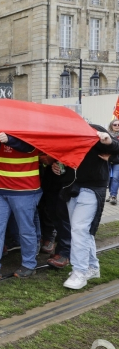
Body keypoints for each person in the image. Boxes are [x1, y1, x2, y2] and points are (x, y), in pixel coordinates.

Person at [0, 132, 42, 279]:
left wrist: (10, 139)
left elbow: (29, 146)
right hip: (1, 190)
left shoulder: (24, 131)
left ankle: (29, 265)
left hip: (24, 190)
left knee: (25, 230)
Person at [60, 125, 119, 289]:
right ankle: (92, 267)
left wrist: (108, 142)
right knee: (83, 231)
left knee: (79, 229)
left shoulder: (93, 130)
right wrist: (59, 170)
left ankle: (79, 271)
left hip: (92, 188)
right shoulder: (64, 136)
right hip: (72, 189)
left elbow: (115, 146)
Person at [106, 119, 119, 205]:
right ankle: (111, 194)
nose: (117, 126)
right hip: (107, 160)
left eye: (118, 125)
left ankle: (113, 196)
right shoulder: (107, 135)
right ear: (111, 126)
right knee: (109, 179)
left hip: (118, 161)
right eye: (115, 125)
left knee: (115, 177)